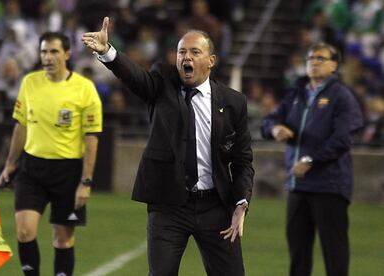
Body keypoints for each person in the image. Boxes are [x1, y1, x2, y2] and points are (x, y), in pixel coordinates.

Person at [82, 17, 254, 275]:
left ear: (211, 61)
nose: (187, 57)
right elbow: (135, 77)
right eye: (182, 51)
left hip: (215, 206)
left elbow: (242, 160)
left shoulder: (233, 102)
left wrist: (241, 202)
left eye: (195, 52)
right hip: (169, 206)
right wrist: (108, 52)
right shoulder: (162, 82)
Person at [0, 31, 102, 276]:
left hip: (67, 171)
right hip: (31, 168)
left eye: (54, 51)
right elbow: (20, 126)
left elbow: (91, 139)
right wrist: (10, 164)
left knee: (62, 239)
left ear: (67, 54)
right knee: (24, 232)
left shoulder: (84, 89)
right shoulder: (29, 82)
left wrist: (85, 182)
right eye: (43, 51)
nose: (47, 57)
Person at [261, 42, 363, 276]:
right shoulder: (297, 93)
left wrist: (310, 160)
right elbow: (269, 121)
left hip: (329, 185)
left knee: (334, 254)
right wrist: (275, 128)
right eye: (310, 58)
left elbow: (343, 139)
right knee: (298, 254)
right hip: (298, 186)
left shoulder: (342, 97)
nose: (314, 62)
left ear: (334, 65)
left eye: (320, 58)